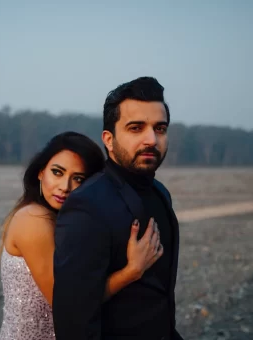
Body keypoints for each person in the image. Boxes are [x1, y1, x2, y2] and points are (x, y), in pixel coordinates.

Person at [0, 131, 163, 340]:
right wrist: (131, 271)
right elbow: (67, 304)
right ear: (41, 172)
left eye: (78, 179)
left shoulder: (65, 220)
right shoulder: (33, 219)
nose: (65, 187)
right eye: (57, 172)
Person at [53, 77, 182, 339]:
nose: (151, 140)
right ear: (109, 140)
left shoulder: (161, 193)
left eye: (160, 128)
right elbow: (73, 319)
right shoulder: (87, 205)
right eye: (136, 128)